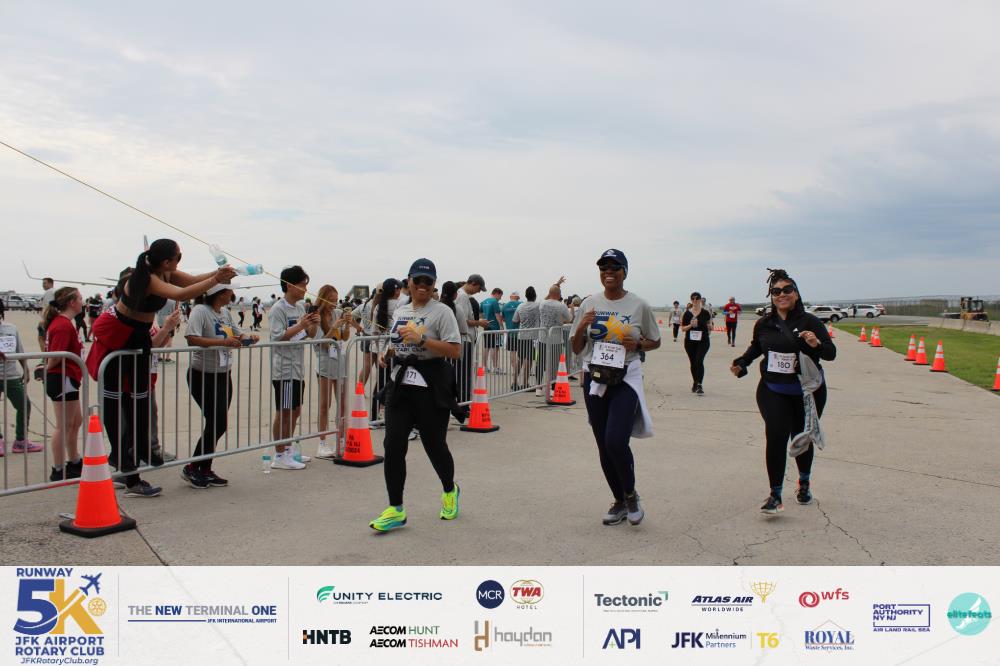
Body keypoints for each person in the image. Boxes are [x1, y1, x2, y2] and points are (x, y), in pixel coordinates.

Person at [87, 239, 236, 497]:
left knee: (140, 407)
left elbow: (191, 281)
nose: (180, 261)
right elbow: (181, 295)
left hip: (138, 340)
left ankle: (136, 458)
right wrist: (216, 280)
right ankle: (128, 471)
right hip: (118, 341)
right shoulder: (145, 278)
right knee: (122, 410)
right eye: (179, 256)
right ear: (166, 261)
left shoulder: (165, 271)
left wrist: (218, 274)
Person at [730, 269, 836, 515]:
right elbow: (756, 347)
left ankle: (804, 483)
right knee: (776, 436)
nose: (781, 294)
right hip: (772, 389)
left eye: (787, 290)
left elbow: (831, 354)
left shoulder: (811, 322)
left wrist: (816, 344)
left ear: (796, 294)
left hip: (808, 391)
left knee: (802, 438)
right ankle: (775, 494)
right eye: (776, 291)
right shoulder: (764, 323)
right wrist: (742, 362)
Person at [369, 258, 462, 532]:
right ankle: (395, 508)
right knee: (393, 444)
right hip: (401, 383)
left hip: (431, 383)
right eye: (417, 280)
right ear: (408, 282)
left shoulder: (442, 312)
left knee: (435, 445)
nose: (422, 286)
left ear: (434, 285)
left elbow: (455, 350)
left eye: (428, 282)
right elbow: (396, 342)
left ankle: (450, 489)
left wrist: (422, 340)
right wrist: (387, 354)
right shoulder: (401, 310)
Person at [572, 249, 660, 526]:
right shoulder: (589, 303)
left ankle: (631, 495)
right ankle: (619, 501)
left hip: (626, 377)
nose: (608, 271)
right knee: (603, 444)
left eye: (614, 267)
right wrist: (580, 327)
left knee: (615, 441)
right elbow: (576, 347)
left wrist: (639, 344)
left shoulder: (639, 305)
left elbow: (655, 341)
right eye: (603, 267)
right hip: (595, 378)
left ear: (625, 272)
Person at [182, 282, 257, 488]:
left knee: (218, 423)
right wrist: (223, 343)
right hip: (202, 375)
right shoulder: (200, 311)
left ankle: (205, 468)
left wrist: (248, 338)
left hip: (223, 374)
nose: (233, 293)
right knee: (217, 422)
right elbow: (191, 338)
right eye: (229, 290)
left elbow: (236, 333)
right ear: (219, 293)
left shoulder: (224, 312)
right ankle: (192, 467)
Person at [269, 265, 319, 470]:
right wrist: (300, 325)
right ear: (289, 286)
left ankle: (289, 449)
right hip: (284, 370)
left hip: (297, 368)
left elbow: (310, 335)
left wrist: (313, 323)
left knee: (295, 411)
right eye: (302, 285)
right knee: (285, 412)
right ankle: (280, 454)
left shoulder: (299, 308)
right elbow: (277, 336)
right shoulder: (278, 309)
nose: (305, 289)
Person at [43, 287, 84, 480]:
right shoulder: (62, 325)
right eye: (80, 298)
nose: (83, 301)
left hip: (69, 377)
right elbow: (55, 356)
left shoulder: (66, 323)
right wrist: (46, 369)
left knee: (76, 421)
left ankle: (74, 460)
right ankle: (58, 469)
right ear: (71, 302)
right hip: (61, 378)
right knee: (63, 425)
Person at [312, 285, 354, 459]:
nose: (334, 304)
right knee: (325, 404)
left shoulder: (337, 313)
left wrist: (347, 324)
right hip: (325, 363)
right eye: (331, 300)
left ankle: (342, 439)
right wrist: (333, 327)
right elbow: (321, 343)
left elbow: (345, 337)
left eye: (336, 301)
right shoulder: (316, 316)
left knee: (342, 404)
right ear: (322, 299)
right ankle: (322, 443)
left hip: (340, 362)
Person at [0, 315, 39, 457]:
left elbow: (19, 350)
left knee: (24, 404)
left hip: (11, 376)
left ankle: (21, 440)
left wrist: (26, 369)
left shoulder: (11, 328)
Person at [454, 275, 488, 401]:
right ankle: (463, 401)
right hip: (465, 339)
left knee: (463, 372)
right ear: (473, 283)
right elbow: (463, 320)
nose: (478, 292)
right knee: (464, 373)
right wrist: (479, 323)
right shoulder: (462, 296)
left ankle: (463, 399)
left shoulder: (462, 295)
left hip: (465, 339)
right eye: (478, 289)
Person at [538, 278, 572, 397]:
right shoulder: (561, 306)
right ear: (559, 294)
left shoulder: (542, 303)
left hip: (543, 337)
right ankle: (552, 388)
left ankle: (538, 387)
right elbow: (569, 319)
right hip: (556, 339)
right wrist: (561, 321)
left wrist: (556, 284)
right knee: (555, 364)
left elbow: (547, 296)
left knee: (541, 362)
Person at [681, 291, 712, 395]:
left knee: (699, 361)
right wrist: (691, 325)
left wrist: (710, 327)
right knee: (693, 363)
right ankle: (695, 381)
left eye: (697, 298)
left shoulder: (705, 313)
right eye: (693, 298)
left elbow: (710, 325)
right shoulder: (687, 313)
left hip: (703, 341)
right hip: (690, 342)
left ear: (700, 300)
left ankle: (699, 385)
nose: (695, 300)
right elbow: (683, 329)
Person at [512, 286, 540, 391]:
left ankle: (514, 382)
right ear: (535, 296)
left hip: (521, 336)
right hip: (533, 337)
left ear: (525, 296)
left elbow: (515, 320)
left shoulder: (520, 306)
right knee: (529, 360)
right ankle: (525, 383)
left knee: (520, 359)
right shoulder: (537, 305)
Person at [480, 288, 504, 373]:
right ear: (497, 293)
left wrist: (484, 320)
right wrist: (501, 326)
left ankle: (484, 367)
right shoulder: (494, 302)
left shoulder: (483, 302)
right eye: (500, 296)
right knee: (495, 347)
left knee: (486, 347)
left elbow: (480, 314)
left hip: (486, 326)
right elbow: (497, 315)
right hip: (494, 327)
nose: (500, 298)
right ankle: (495, 367)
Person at [501, 291, 522, 389]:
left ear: (510, 297)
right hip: (520, 332)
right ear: (518, 297)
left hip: (510, 332)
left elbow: (503, 318)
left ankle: (514, 369)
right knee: (521, 353)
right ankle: (519, 369)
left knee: (512, 352)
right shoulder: (521, 304)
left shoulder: (505, 306)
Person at [36, 277, 55, 352]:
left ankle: (45, 356)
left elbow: (49, 307)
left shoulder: (49, 292)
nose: (43, 285)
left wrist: (44, 320)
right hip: (52, 319)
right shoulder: (54, 291)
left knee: (41, 338)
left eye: (44, 283)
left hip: (48, 320)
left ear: (50, 283)